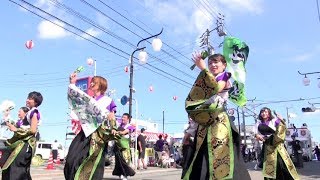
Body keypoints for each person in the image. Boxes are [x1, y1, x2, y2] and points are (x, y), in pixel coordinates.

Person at [182, 53, 250, 180]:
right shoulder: (204, 80)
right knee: (202, 158)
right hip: (203, 124)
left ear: (224, 65)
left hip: (219, 123)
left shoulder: (224, 76)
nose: (212, 65)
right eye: (210, 63)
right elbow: (199, 106)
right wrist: (190, 132)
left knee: (221, 156)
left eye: (216, 62)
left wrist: (203, 69)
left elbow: (216, 87)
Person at [64, 73, 118, 180]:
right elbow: (75, 96)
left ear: (101, 85)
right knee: (71, 159)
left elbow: (112, 116)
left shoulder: (107, 100)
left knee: (93, 165)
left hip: (97, 136)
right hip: (84, 134)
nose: (91, 83)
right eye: (92, 81)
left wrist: (114, 129)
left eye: (95, 82)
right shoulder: (88, 99)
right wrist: (72, 83)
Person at [2, 91, 43, 180]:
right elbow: (16, 126)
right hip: (21, 144)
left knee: (17, 170)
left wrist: (16, 129)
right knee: (13, 168)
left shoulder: (34, 112)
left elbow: (32, 130)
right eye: (28, 98)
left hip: (26, 146)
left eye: (30, 99)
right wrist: (7, 117)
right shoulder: (29, 113)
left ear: (36, 102)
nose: (27, 100)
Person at [253, 107, 299, 179]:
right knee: (269, 166)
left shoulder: (274, 120)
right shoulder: (258, 123)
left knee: (281, 164)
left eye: (266, 112)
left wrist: (281, 120)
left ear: (269, 113)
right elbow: (255, 133)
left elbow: (282, 128)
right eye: (262, 112)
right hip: (267, 146)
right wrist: (257, 136)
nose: (264, 113)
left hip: (277, 145)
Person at [112, 113, 135, 180]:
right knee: (118, 161)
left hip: (124, 146)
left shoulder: (130, 126)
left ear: (128, 119)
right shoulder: (119, 124)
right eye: (122, 117)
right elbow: (114, 126)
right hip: (117, 145)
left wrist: (116, 132)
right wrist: (113, 129)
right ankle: (120, 174)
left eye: (124, 117)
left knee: (125, 161)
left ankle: (125, 174)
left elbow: (124, 132)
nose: (122, 118)